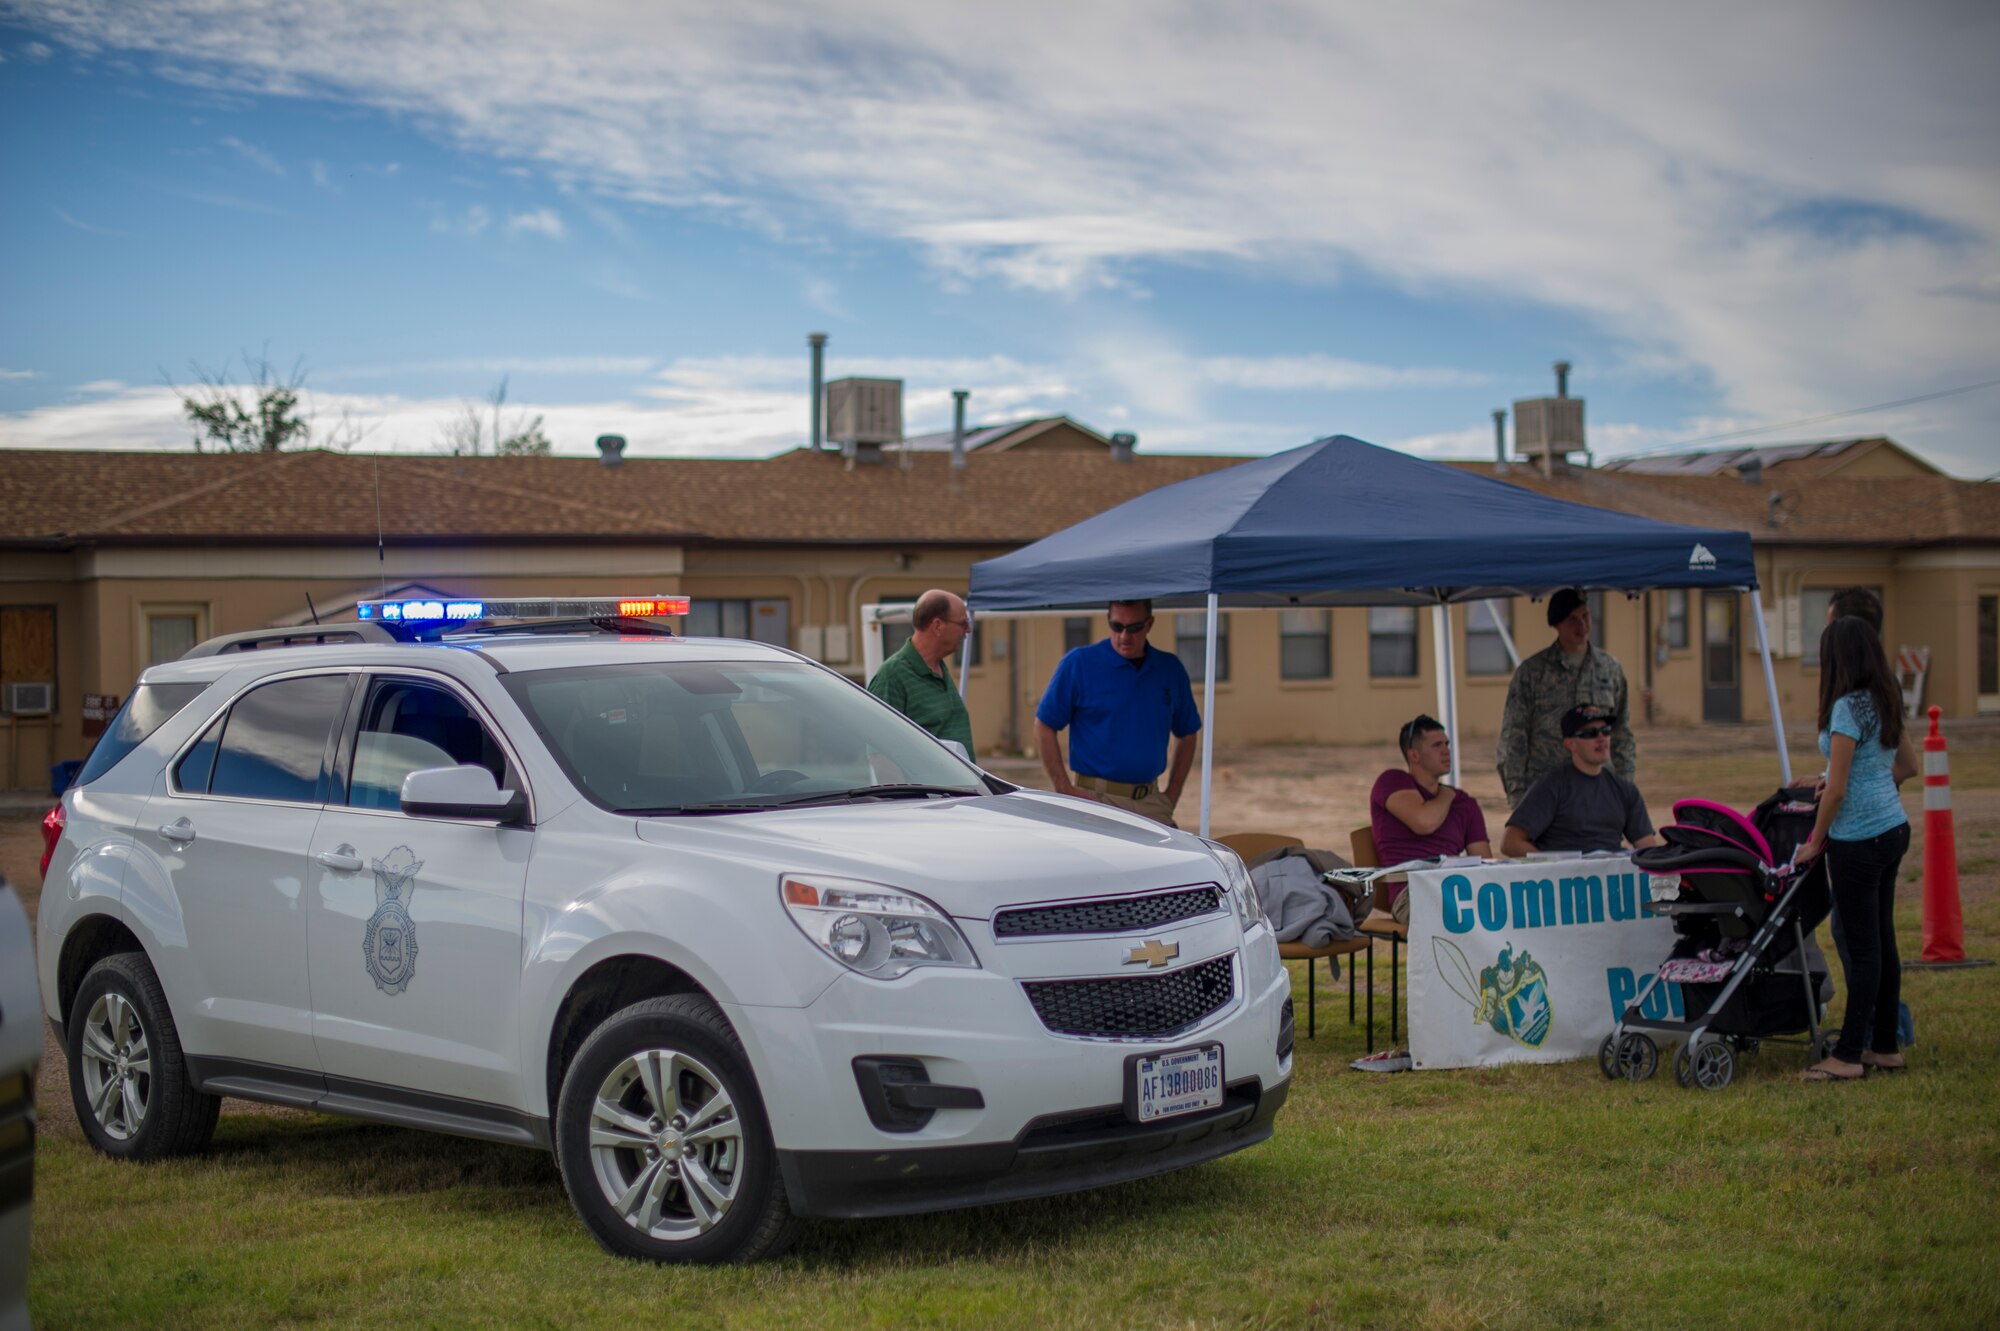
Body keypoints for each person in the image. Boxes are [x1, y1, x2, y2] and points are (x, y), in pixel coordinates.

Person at [1798, 616, 1919, 1083]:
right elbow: (1907, 764)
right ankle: (1885, 1045)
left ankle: (1848, 1054)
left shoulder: (1847, 707)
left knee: (1864, 949)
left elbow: (1838, 789)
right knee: (1884, 943)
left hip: (1858, 841)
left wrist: (1813, 844)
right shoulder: (1885, 699)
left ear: (1837, 658)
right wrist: (1872, 786)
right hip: (1893, 828)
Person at [1034, 599, 1201, 826]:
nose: (1124, 636)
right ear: (1108, 621)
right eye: (1117, 626)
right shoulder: (1079, 664)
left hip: (1151, 802)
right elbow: (1044, 725)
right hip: (1095, 801)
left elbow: (1188, 733)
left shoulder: (1170, 669)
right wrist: (1063, 787)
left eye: (1134, 628)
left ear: (1149, 624)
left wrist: (1172, 794)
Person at [1497, 588, 1635, 806]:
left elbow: (1622, 735)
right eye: (1572, 619)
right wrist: (1518, 799)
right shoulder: (1532, 673)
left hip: (1600, 794)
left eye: (1585, 616)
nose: (1582, 626)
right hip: (1547, 795)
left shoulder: (1610, 669)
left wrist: (1624, 790)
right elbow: (1513, 738)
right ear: (1556, 624)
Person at [1369, 714, 1492, 919]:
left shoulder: (1465, 804)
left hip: (1459, 890)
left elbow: (1484, 861)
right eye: (1437, 745)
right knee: (1464, 918)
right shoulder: (1392, 781)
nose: (1446, 751)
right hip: (1412, 893)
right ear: (1414, 756)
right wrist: (1447, 794)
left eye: (1447, 743)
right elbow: (1424, 822)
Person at [1501, 705, 1664, 857]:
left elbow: (1647, 847)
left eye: (1606, 731)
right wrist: (1552, 868)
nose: (1601, 738)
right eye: (1590, 733)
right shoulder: (1552, 785)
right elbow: (1510, 842)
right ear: (1570, 744)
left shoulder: (1625, 789)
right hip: (1566, 882)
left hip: (1612, 879)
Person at [867, 589, 974, 750]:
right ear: (937, 626)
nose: (968, 630)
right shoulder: (892, 676)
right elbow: (879, 753)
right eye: (963, 623)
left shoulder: (938, 668)